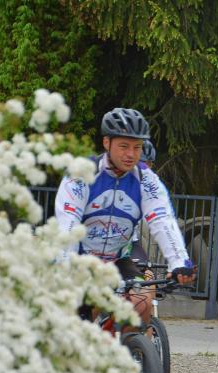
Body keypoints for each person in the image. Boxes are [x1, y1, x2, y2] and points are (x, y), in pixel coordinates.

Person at [55, 108, 195, 326]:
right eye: (124, 146)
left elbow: (162, 220)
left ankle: (127, 346)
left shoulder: (146, 180)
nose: (131, 154)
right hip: (79, 259)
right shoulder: (81, 174)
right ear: (106, 143)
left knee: (142, 304)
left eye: (137, 147)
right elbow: (68, 225)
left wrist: (178, 262)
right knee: (73, 320)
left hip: (117, 260)